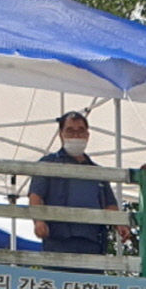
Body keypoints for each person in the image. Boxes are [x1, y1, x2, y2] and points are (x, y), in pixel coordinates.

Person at [28, 109, 118, 261]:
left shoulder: (97, 171)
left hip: (93, 243)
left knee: (91, 284)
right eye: (70, 131)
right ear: (61, 134)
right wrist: (38, 221)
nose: (76, 136)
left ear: (88, 135)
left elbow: (110, 205)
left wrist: (120, 225)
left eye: (81, 131)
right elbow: (35, 195)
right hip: (58, 241)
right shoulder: (48, 163)